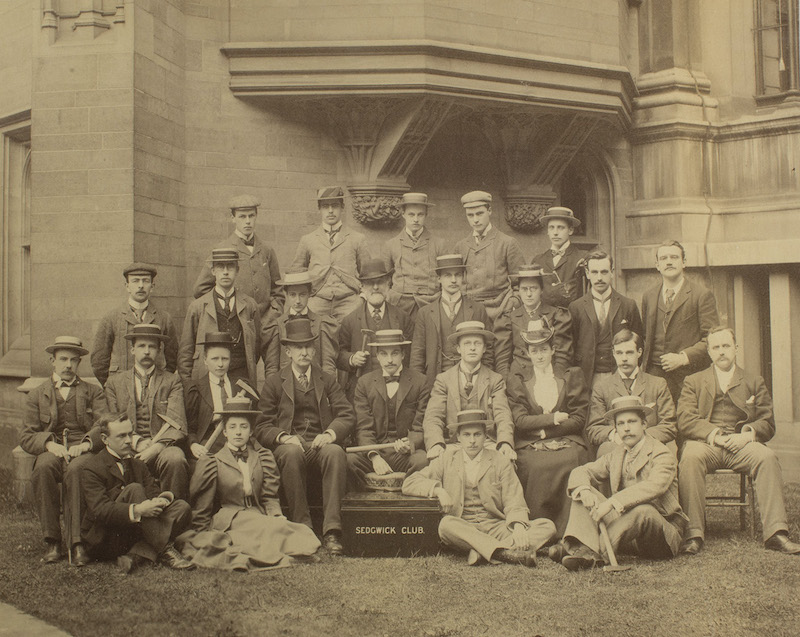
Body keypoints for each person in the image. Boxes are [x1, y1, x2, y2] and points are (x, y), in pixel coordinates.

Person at [677, 326, 800, 556]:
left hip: (741, 445)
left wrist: (746, 435)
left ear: (736, 348)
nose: (721, 351)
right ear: (709, 352)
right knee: (690, 458)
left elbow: (768, 421)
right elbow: (685, 419)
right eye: (716, 347)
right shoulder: (693, 381)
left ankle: (776, 533)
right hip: (707, 443)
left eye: (726, 346)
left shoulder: (754, 380)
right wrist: (715, 436)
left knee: (767, 457)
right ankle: (693, 534)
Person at [180, 397, 321, 571]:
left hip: (257, 514)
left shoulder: (263, 457)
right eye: (232, 427)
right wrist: (202, 533)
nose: (238, 432)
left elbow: (269, 496)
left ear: (251, 431)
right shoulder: (212, 462)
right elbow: (203, 504)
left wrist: (276, 515)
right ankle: (282, 554)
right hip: (230, 518)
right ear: (224, 432)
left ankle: (280, 550)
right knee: (271, 531)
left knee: (281, 526)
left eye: (243, 427)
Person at [403, 409, 556, 566]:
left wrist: (518, 527)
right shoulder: (446, 459)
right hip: (463, 526)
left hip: (495, 525)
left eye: (477, 434)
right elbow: (410, 482)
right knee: (445, 525)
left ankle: (482, 550)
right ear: (459, 437)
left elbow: (514, 499)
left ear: (485, 436)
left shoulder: (500, 461)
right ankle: (505, 552)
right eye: (467, 435)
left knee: (547, 526)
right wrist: (438, 490)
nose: (472, 440)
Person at [550, 395, 687, 571]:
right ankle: (582, 549)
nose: (626, 429)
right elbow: (581, 471)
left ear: (644, 424)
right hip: (627, 533)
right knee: (582, 491)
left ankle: (590, 551)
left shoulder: (661, 453)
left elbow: (654, 486)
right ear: (615, 428)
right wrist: (585, 491)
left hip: (661, 535)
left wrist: (611, 503)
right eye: (621, 424)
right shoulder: (618, 453)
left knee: (643, 510)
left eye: (632, 422)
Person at [254, 318, 355, 555]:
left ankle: (332, 530)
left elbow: (347, 414)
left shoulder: (327, 380)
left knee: (335, 452)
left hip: (319, 445)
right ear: (288, 351)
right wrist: (282, 437)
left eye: (308, 346)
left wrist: (330, 434)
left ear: (314, 349)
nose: (304, 352)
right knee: (289, 453)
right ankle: (303, 526)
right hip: (290, 446)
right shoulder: (273, 382)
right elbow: (261, 425)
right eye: (298, 347)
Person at [20, 336, 108, 566]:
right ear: (52, 360)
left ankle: (78, 543)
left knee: (78, 469)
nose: (68, 365)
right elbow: (27, 435)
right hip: (53, 447)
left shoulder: (93, 391)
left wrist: (87, 444)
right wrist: (50, 445)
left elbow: (104, 424)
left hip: (82, 448)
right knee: (43, 467)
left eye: (74, 360)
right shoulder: (37, 395)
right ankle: (52, 541)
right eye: (63, 359)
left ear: (79, 363)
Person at [80, 413, 194, 573]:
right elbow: (100, 510)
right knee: (134, 489)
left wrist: (161, 500)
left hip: (134, 532)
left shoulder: (137, 464)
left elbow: (153, 491)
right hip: (105, 538)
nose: (128, 440)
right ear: (105, 439)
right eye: (121, 436)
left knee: (181, 507)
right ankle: (165, 550)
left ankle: (137, 554)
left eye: (130, 434)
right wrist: (138, 510)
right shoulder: (92, 467)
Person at [505, 321, 589, 536]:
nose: (540, 356)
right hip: (531, 443)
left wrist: (545, 432)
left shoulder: (570, 375)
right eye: (534, 351)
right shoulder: (519, 380)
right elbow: (521, 421)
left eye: (544, 350)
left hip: (566, 438)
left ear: (553, 350)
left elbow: (579, 418)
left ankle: (571, 530)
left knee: (573, 459)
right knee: (533, 465)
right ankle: (539, 529)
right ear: (528, 353)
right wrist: (553, 418)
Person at [104, 324, 189, 501]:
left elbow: (177, 422)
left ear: (159, 350)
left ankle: (174, 515)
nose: (147, 351)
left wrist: (156, 448)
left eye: (152, 347)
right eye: (142, 346)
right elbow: (110, 422)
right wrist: (136, 441)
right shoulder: (115, 382)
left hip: (161, 447)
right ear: (132, 349)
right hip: (126, 445)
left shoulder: (171, 381)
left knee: (175, 458)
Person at [179, 247, 279, 387]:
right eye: (220, 267)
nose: (225, 272)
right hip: (206, 379)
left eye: (230, 267)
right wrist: (188, 388)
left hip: (241, 377)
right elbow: (186, 353)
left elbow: (255, 345)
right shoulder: (197, 307)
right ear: (213, 271)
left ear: (237, 270)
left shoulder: (250, 305)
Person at [422, 321, 515, 461]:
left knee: (504, 463)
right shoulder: (444, 380)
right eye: (467, 343)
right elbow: (433, 416)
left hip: (487, 443)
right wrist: (436, 443)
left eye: (477, 343)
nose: (472, 348)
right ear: (458, 348)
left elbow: (503, 415)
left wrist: (505, 442)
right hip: (454, 443)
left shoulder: (495, 380)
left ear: (484, 348)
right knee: (440, 466)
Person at [348, 329, 430, 487]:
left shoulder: (420, 382)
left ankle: (406, 501)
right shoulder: (364, 383)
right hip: (375, 450)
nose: (390, 360)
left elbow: (420, 426)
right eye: (384, 354)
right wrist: (374, 456)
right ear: (377, 356)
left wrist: (409, 443)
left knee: (422, 460)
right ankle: (369, 506)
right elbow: (364, 427)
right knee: (349, 461)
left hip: (404, 454)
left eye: (395, 353)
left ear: (403, 355)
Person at [641, 240, 719, 402]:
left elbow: (712, 340)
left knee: (685, 424)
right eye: (663, 258)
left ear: (684, 262)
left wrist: (682, 358)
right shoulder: (649, 296)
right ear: (657, 265)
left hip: (688, 377)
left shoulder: (701, 295)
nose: (668, 262)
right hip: (654, 377)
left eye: (674, 257)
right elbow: (645, 337)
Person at [192, 194, 285, 321]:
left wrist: (272, 317)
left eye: (251, 215)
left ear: (256, 216)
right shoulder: (222, 249)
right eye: (242, 216)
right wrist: (226, 313)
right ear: (233, 218)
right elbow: (200, 289)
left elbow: (278, 291)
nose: (248, 221)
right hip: (236, 324)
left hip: (265, 326)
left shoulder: (267, 250)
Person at [586, 329, 676, 457]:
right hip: (616, 449)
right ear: (613, 353)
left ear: (639, 352)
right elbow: (594, 429)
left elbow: (669, 425)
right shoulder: (602, 387)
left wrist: (642, 438)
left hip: (650, 449)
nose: (624, 358)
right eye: (619, 353)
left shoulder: (657, 384)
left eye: (629, 352)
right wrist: (617, 436)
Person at [410, 254, 494, 388]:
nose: (453, 280)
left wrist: (484, 382)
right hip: (435, 381)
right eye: (448, 275)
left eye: (458, 275)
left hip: (471, 381)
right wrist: (419, 388)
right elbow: (417, 355)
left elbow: (488, 351)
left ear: (463, 277)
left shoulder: (478, 310)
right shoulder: (425, 313)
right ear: (439, 278)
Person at [91, 263, 178, 386]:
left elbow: (172, 358)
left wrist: (160, 383)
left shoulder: (164, 318)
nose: (141, 286)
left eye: (146, 281)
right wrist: (113, 386)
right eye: (135, 281)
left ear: (152, 286)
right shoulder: (111, 318)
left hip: (155, 386)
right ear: (127, 286)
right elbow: (99, 360)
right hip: (121, 386)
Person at [336, 258, 413, 399]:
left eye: (380, 282)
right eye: (370, 283)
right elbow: (339, 354)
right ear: (362, 287)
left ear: (388, 284)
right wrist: (351, 359)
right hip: (362, 392)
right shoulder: (350, 321)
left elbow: (411, 356)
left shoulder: (402, 318)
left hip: (397, 391)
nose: (376, 287)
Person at [290, 186, 369, 321]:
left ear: (342, 207)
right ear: (319, 209)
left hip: (349, 301)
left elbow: (368, 274)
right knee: (314, 336)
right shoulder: (307, 240)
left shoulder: (357, 238)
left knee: (352, 338)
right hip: (317, 301)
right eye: (326, 206)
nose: (331, 211)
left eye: (335, 206)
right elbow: (297, 273)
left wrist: (362, 298)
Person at [568, 250, 643, 387]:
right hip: (587, 377)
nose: (599, 278)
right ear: (587, 273)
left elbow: (639, 343)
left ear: (612, 272)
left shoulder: (628, 305)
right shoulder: (576, 307)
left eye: (604, 272)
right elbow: (571, 346)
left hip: (618, 374)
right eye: (595, 272)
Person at [454, 191, 523, 321]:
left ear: (489, 210)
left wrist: (511, 304)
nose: (475, 219)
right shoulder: (460, 246)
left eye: (480, 213)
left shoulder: (507, 243)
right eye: (470, 215)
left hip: (499, 309)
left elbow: (520, 284)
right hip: (467, 310)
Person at [494, 264, 573, 378]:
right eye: (524, 289)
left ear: (541, 290)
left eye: (533, 288)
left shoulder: (557, 315)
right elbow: (502, 359)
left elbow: (563, 357)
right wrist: (507, 384)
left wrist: (557, 383)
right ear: (519, 291)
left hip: (549, 377)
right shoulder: (508, 318)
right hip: (518, 379)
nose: (529, 294)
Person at [183, 332, 248, 463]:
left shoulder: (242, 387)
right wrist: (193, 444)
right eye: (215, 359)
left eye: (225, 359)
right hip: (208, 444)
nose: (220, 364)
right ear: (205, 360)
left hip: (239, 441)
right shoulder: (195, 389)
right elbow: (189, 427)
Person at [385, 192, 449, 322]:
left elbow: (446, 277)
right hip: (400, 305)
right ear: (403, 214)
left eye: (420, 215)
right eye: (411, 214)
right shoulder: (391, 244)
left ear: (426, 215)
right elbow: (386, 279)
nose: (415, 219)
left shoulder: (439, 244)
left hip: (430, 303)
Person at [275, 270, 339, 376]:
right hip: (285, 387)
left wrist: (326, 390)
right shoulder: (278, 325)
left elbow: (328, 365)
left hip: (316, 385)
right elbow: (272, 368)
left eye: (302, 294)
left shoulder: (322, 323)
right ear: (285, 295)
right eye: (292, 295)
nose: (298, 300)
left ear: (309, 293)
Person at [533, 206, 587, 309]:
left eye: (560, 227)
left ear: (570, 230)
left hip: (572, 319)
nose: (555, 232)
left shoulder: (582, 258)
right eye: (551, 227)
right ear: (548, 231)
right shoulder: (538, 260)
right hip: (544, 319)